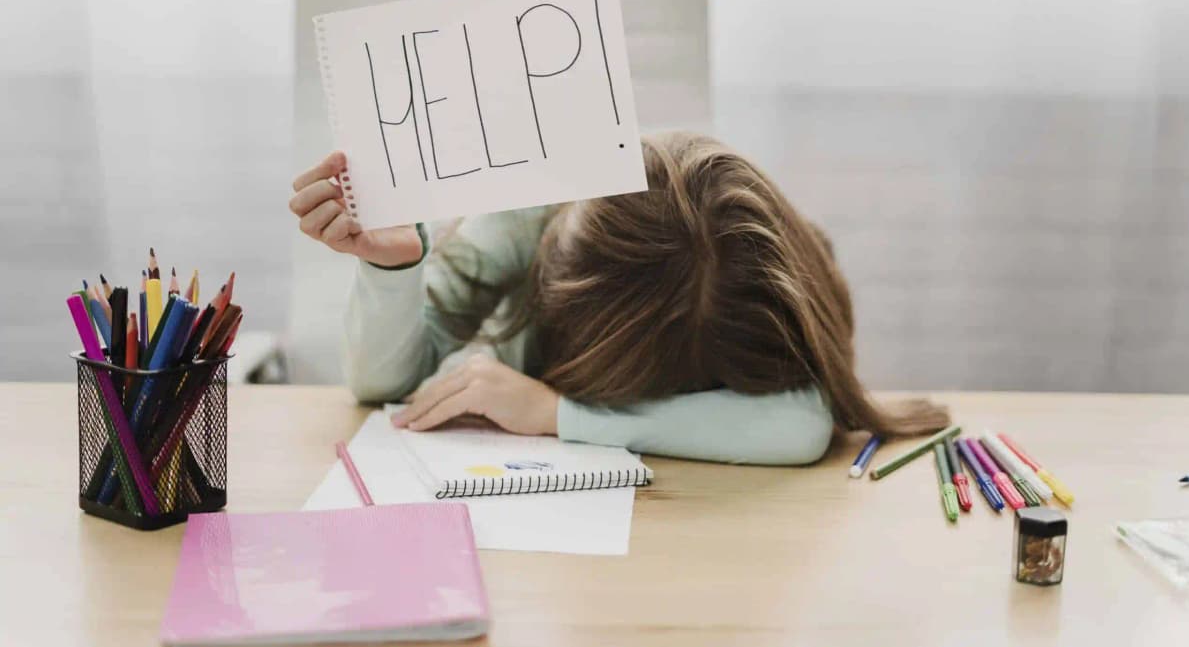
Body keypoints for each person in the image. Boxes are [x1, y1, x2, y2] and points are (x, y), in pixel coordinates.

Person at [288, 131, 949, 464]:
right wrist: (395, 268)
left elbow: (799, 426)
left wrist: (557, 414)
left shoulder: (751, 278)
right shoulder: (527, 217)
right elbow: (381, 385)